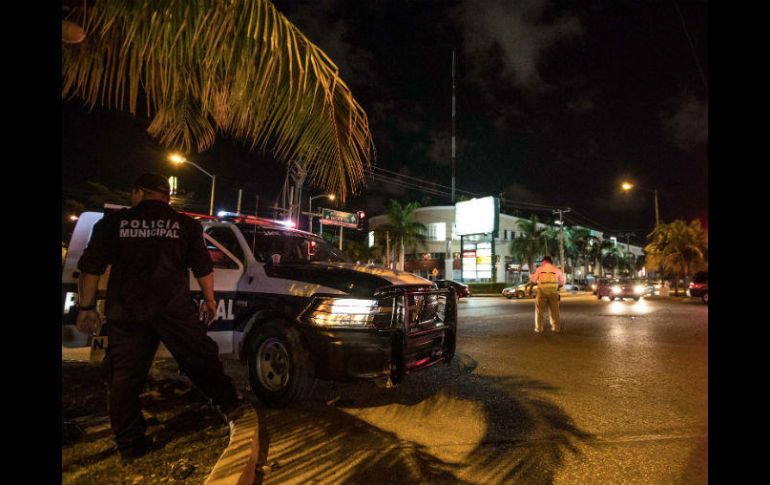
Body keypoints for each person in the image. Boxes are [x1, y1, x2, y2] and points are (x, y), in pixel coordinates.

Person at [75, 173, 245, 460]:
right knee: (200, 357)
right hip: (172, 310)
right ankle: (229, 404)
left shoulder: (114, 224)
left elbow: (90, 269)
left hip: (128, 312)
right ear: (166, 195)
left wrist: (86, 308)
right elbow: (203, 268)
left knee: (124, 380)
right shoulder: (185, 225)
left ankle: (130, 446)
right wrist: (209, 300)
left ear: (138, 192)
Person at [530, 256, 566, 333]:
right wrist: (556, 287)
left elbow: (533, 281)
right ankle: (556, 328)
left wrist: (530, 289)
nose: (542, 263)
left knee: (539, 311)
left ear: (545, 261)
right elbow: (562, 283)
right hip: (553, 292)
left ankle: (539, 328)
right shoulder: (557, 270)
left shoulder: (539, 269)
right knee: (555, 311)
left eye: (542, 262)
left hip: (542, 291)